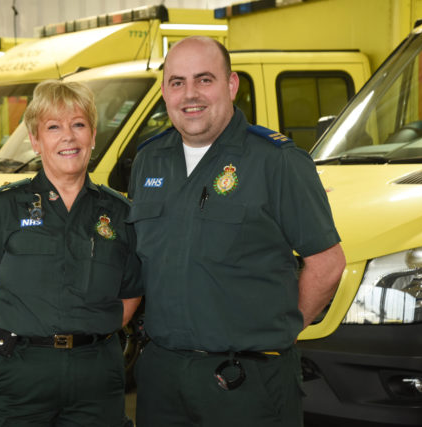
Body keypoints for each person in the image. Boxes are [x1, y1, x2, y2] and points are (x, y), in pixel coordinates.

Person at [128, 36, 346, 427]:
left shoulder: (277, 162)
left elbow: (327, 263)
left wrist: (280, 331)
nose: (190, 94)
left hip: (247, 383)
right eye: (177, 82)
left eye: (204, 80)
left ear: (231, 86)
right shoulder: (148, 161)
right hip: (162, 378)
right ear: (164, 92)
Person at [0, 79, 143, 427]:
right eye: (54, 127)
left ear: (93, 136)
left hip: (96, 377)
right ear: (36, 141)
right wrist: (1, 344)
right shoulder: (5, 207)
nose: (68, 136)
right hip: (21, 374)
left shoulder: (118, 212)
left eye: (78, 124)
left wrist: (98, 336)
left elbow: (131, 292)